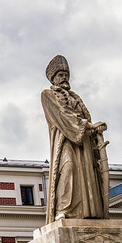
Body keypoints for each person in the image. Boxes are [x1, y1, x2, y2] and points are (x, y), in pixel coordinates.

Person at [41, 55, 109, 223]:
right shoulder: (48, 95)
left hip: (83, 143)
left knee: (86, 173)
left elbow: (85, 118)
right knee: (68, 167)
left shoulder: (76, 98)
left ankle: (88, 212)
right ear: (53, 78)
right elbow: (62, 114)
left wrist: (95, 130)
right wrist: (88, 125)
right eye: (60, 75)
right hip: (64, 139)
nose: (64, 77)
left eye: (66, 75)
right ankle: (63, 209)